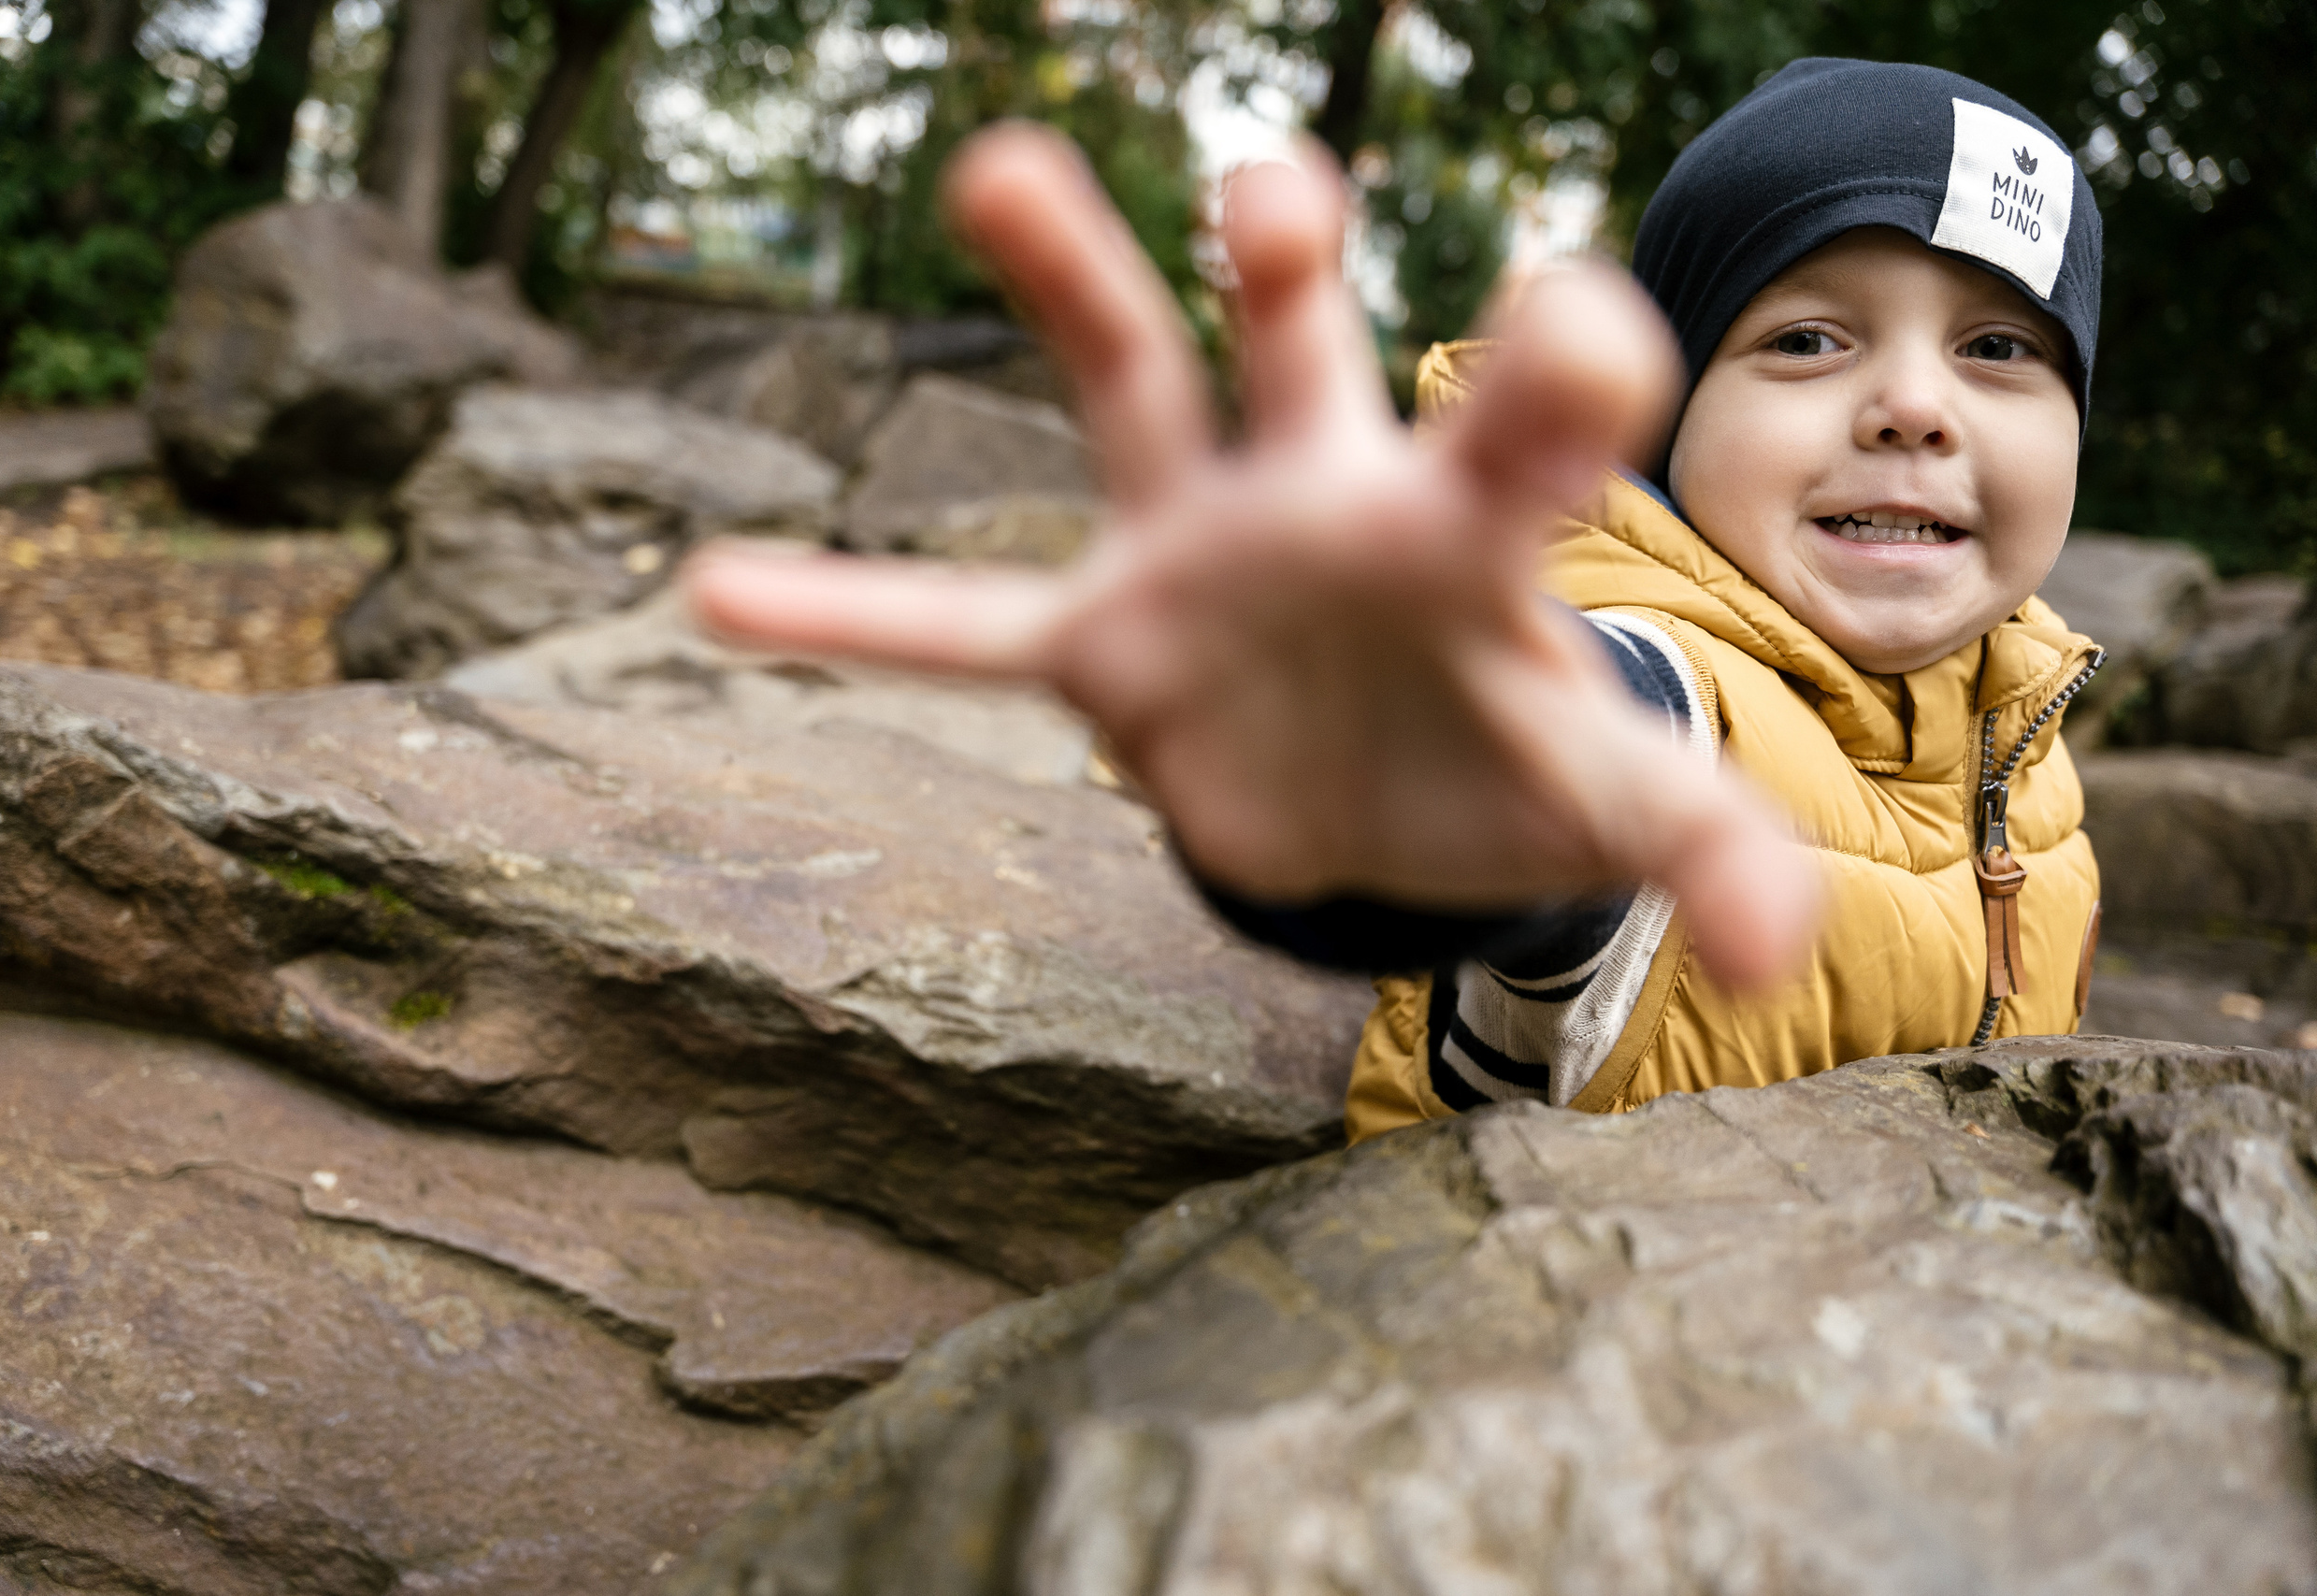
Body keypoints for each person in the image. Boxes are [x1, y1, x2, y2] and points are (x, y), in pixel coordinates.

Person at [688, 57, 2107, 1141]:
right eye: (1807, 338)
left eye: (1998, 347)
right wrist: (1359, 759)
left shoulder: (2024, 743)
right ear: (1664, 419)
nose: (1915, 404)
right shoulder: (1653, 686)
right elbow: (1521, 791)